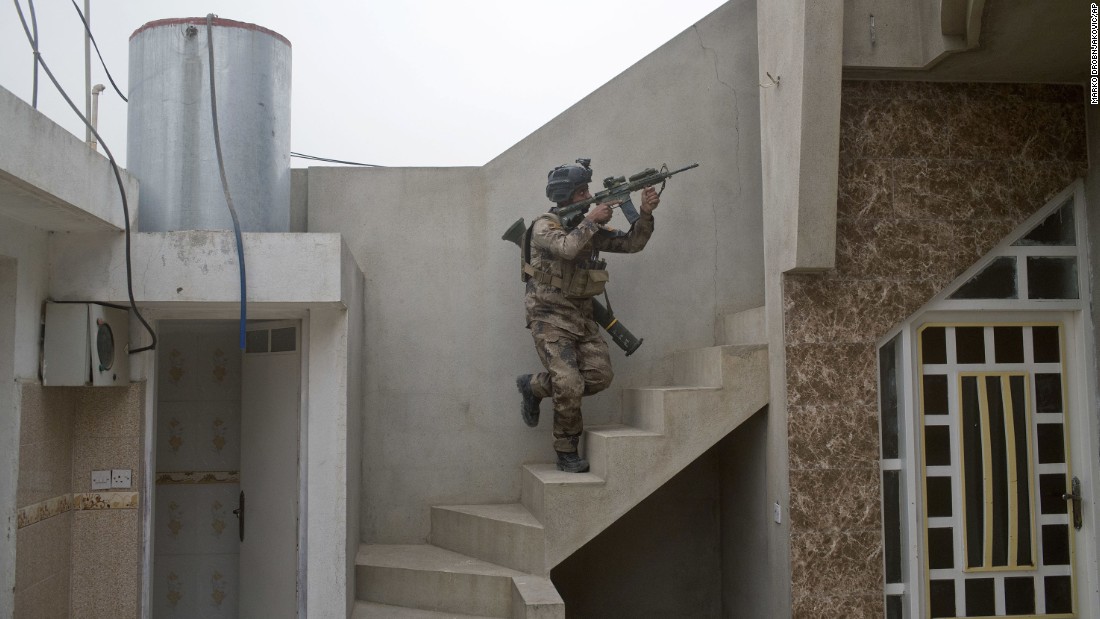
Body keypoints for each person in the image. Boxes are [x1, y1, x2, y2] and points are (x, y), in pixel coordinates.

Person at [516, 159, 660, 473]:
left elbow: (631, 243)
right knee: (568, 384)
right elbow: (567, 249)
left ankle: (535, 386)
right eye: (582, 192)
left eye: (588, 191)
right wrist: (592, 220)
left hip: (581, 317)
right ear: (566, 195)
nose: (588, 196)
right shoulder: (545, 225)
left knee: (599, 377)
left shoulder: (587, 224)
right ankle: (566, 451)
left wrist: (645, 213)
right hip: (549, 316)